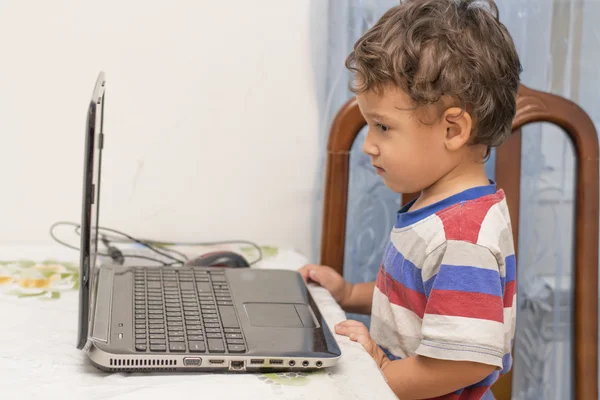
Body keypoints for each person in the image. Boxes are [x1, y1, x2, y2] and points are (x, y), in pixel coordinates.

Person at [299, 0, 521, 398]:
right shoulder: (440, 211)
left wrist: (381, 373)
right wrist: (350, 294)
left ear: (453, 129)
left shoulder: (461, 238)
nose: (368, 145)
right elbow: (418, 299)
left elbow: (466, 361)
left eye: (382, 126)